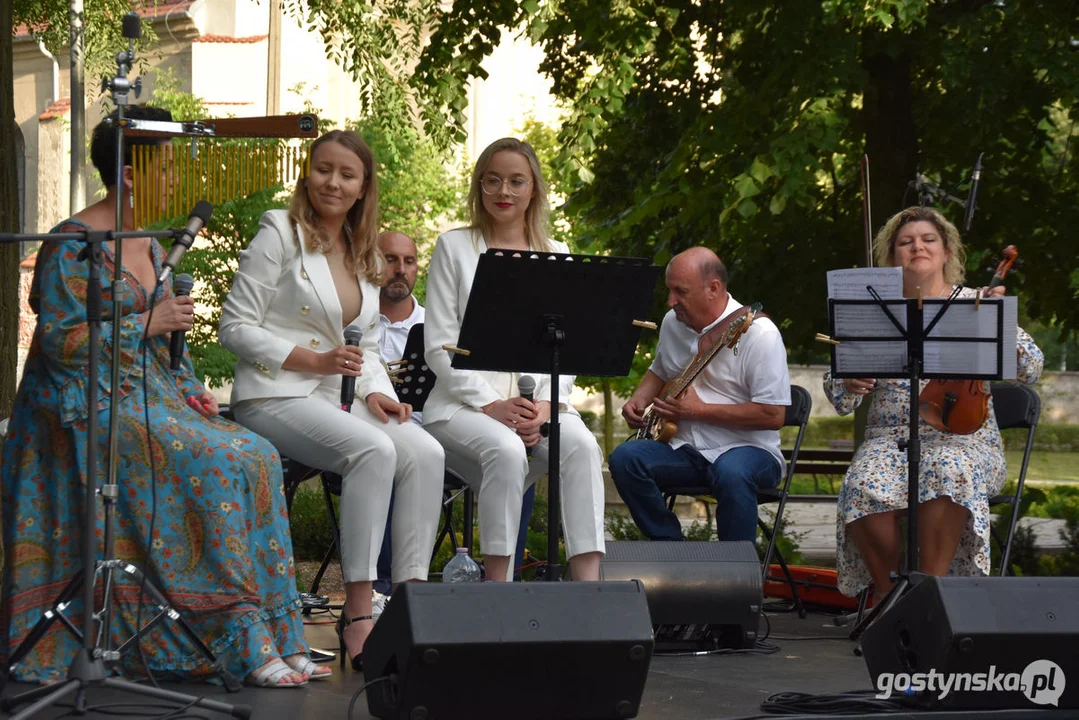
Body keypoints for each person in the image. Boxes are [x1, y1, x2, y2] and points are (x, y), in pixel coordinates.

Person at [1, 105, 323, 687]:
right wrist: (146, 325)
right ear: (131, 172)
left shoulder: (151, 244)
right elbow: (58, 342)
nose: (180, 179)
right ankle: (235, 640)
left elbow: (167, 341)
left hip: (152, 395)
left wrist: (191, 385)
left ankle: (273, 630)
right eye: (171, 166)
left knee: (257, 453)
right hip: (82, 404)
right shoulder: (73, 242)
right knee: (220, 461)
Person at [219, 130, 444, 671]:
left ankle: (412, 605)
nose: (334, 182)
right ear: (308, 172)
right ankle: (360, 612)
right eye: (324, 169)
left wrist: (376, 392)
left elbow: (362, 343)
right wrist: (313, 360)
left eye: (347, 174)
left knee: (425, 451)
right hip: (273, 392)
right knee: (375, 452)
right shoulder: (280, 230)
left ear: (364, 187)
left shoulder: (362, 250)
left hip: (332, 396)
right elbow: (234, 327)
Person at [825, 206, 1044, 602]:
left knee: (949, 470)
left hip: (965, 439)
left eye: (929, 240)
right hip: (889, 439)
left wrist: (1001, 325)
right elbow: (838, 395)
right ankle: (888, 595)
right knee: (862, 484)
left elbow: (1030, 368)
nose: (917, 247)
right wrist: (849, 378)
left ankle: (930, 597)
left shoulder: (976, 303)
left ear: (947, 252)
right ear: (892, 258)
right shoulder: (874, 312)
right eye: (905, 242)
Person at [423, 137, 605, 582]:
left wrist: (546, 407)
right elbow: (438, 346)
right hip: (461, 408)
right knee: (504, 450)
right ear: (480, 187)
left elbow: (568, 348)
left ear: (533, 189)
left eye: (516, 181)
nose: (504, 191)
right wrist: (491, 405)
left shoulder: (557, 253)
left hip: (537, 409)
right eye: (493, 180)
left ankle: (590, 588)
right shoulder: (454, 247)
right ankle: (497, 587)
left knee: (582, 445)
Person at [609, 247, 791, 543]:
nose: (670, 301)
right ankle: (675, 554)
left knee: (731, 472)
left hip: (749, 452)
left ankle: (735, 575)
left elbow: (773, 415)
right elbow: (660, 369)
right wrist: (638, 400)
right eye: (669, 290)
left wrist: (698, 411)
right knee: (626, 458)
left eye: (680, 291)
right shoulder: (672, 322)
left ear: (713, 288)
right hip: (686, 450)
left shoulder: (761, 335)